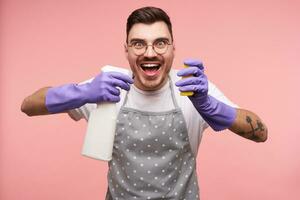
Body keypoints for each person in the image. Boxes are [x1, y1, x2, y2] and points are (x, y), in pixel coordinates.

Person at [21, 6, 268, 200]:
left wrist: (213, 108)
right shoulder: (107, 90)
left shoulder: (192, 92)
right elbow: (28, 106)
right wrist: (82, 92)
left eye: (160, 42)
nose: (150, 53)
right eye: (138, 43)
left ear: (173, 49)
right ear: (126, 50)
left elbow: (261, 133)